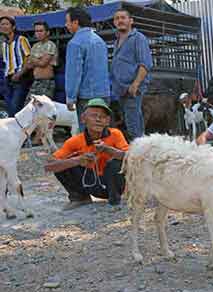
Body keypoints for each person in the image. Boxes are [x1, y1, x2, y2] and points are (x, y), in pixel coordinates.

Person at [45, 98, 128, 210]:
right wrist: (78, 160)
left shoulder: (116, 134)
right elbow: (49, 166)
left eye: (103, 117)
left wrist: (108, 149)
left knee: (115, 162)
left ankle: (114, 200)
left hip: (116, 186)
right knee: (64, 162)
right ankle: (80, 197)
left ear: (107, 121)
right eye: (94, 115)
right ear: (83, 119)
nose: (98, 119)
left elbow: (130, 157)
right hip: (91, 184)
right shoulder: (75, 141)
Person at [65, 7, 110, 131]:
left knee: (88, 135)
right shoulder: (100, 41)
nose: (66, 25)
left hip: (87, 98)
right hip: (104, 94)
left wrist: (70, 97)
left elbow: (73, 73)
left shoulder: (75, 43)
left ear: (75, 22)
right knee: (102, 132)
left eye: (67, 21)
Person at [110, 9, 152, 140]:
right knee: (129, 123)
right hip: (121, 90)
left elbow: (145, 64)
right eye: (117, 18)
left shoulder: (138, 38)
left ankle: (139, 154)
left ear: (131, 21)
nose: (120, 21)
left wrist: (135, 84)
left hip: (131, 89)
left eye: (123, 18)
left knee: (134, 126)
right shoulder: (117, 41)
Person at [0, 16, 31, 117]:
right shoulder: (3, 44)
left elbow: (29, 59)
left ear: (13, 27)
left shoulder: (22, 39)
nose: (4, 26)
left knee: (15, 108)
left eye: (6, 24)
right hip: (7, 79)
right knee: (10, 108)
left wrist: (19, 74)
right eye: (2, 24)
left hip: (20, 78)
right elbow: (5, 62)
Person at [25, 21, 58, 101]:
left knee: (42, 109)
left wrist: (33, 59)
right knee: (29, 107)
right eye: (36, 31)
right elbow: (28, 65)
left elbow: (42, 63)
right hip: (36, 81)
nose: (38, 33)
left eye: (41, 31)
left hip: (46, 82)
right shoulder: (35, 46)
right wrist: (38, 59)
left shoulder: (50, 44)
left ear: (47, 32)